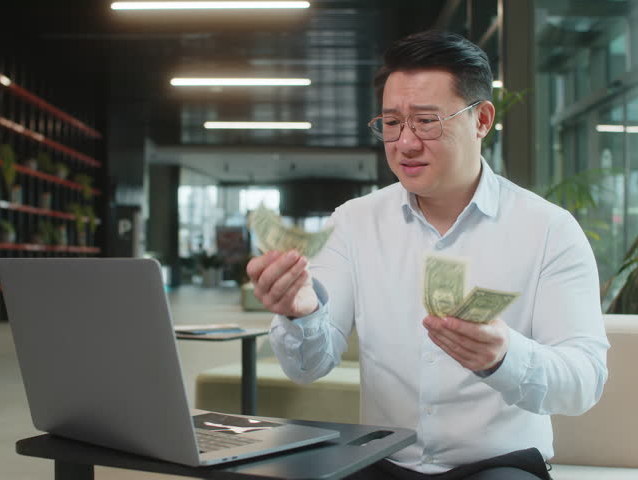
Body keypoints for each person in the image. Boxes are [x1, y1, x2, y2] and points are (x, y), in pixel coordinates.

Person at [246, 30, 609, 480]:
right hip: (382, 460)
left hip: (498, 466)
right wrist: (301, 313)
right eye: (392, 123)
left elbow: (584, 382)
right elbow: (307, 366)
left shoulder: (549, 230)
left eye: (426, 121)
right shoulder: (354, 222)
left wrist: (505, 356)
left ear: (481, 119)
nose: (405, 143)